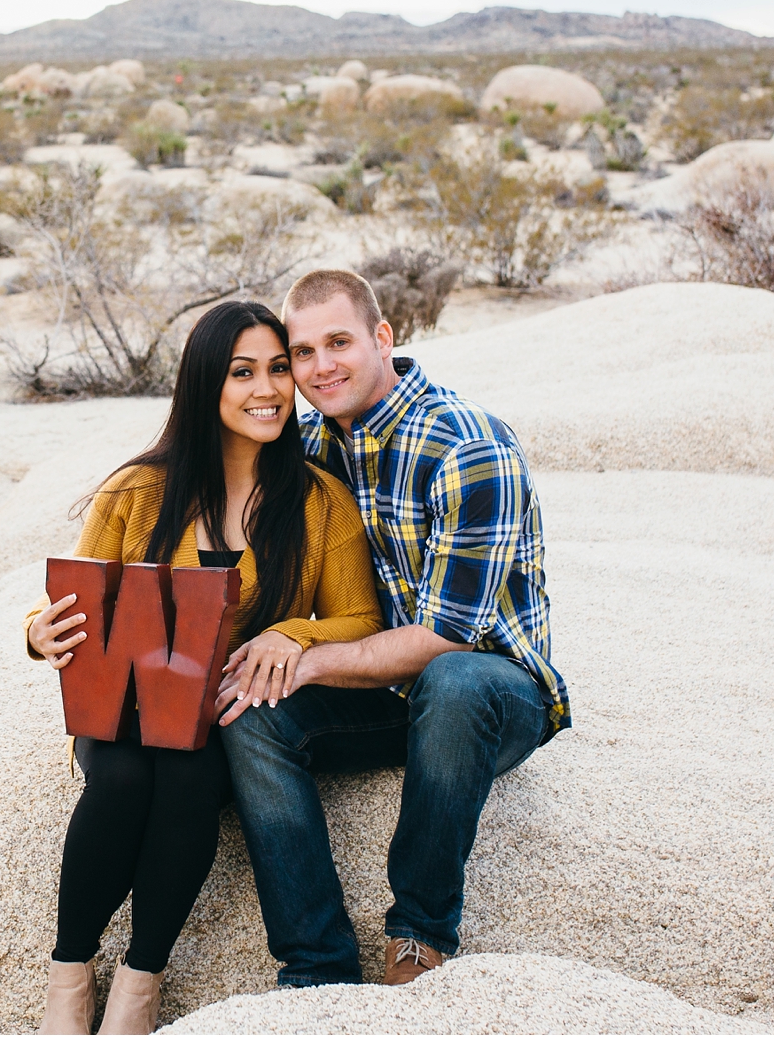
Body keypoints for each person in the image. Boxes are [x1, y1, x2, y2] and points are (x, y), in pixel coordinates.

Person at [23, 300, 382, 1034]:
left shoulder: (319, 501)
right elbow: (69, 600)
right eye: (242, 371)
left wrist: (292, 632)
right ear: (204, 386)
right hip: (124, 705)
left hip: (219, 713)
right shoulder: (137, 489)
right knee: (122, 778)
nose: (269, 388)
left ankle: (139, 983)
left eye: (280, 368)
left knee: (187, 779)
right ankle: (68, 979)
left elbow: (364, 620)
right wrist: (37, 631)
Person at [214, 266, 571, 990]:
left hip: (493, 691)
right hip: (385, 693)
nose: (320, 367)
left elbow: (447, 635)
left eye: (339, 341)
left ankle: (419, 935)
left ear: (383, 336)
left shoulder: (468, 446)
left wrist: (308, 655)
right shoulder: (311, 443)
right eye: (303, 351)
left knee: (454, 679)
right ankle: (316, 963)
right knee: (248, 705)